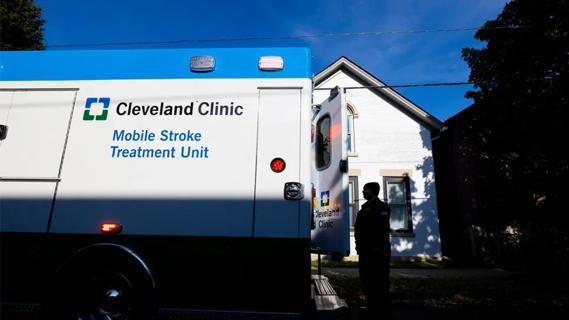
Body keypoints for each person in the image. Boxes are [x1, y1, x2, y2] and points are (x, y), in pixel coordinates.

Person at [354, 182, 391, 317]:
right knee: (366, 279)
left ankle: (382, 308)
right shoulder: (364, 209)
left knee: (380, 279)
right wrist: (359, 247)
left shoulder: (382, 208)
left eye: (365, 190)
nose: (363, 192)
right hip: (365, 251)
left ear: (372, 191)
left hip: (378, 251)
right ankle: (371, 306)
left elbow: (380, 230)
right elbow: (359, 230)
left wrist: (378, 247)